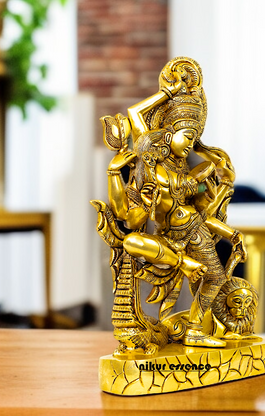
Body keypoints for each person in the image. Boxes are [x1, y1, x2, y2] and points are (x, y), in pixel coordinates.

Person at [105, 57, 247, 348]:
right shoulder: (150, 169)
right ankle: (183, 264)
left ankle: (195, 328)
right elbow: (134, 114)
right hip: (170, 241)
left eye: (195, 138)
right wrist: (167, 93)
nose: (192, 144)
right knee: (131, 242)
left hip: (196, 231)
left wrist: (231, 234)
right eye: (188, 137)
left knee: (216, 279)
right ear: (169, 134)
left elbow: (201, 214)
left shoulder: (188, 170)